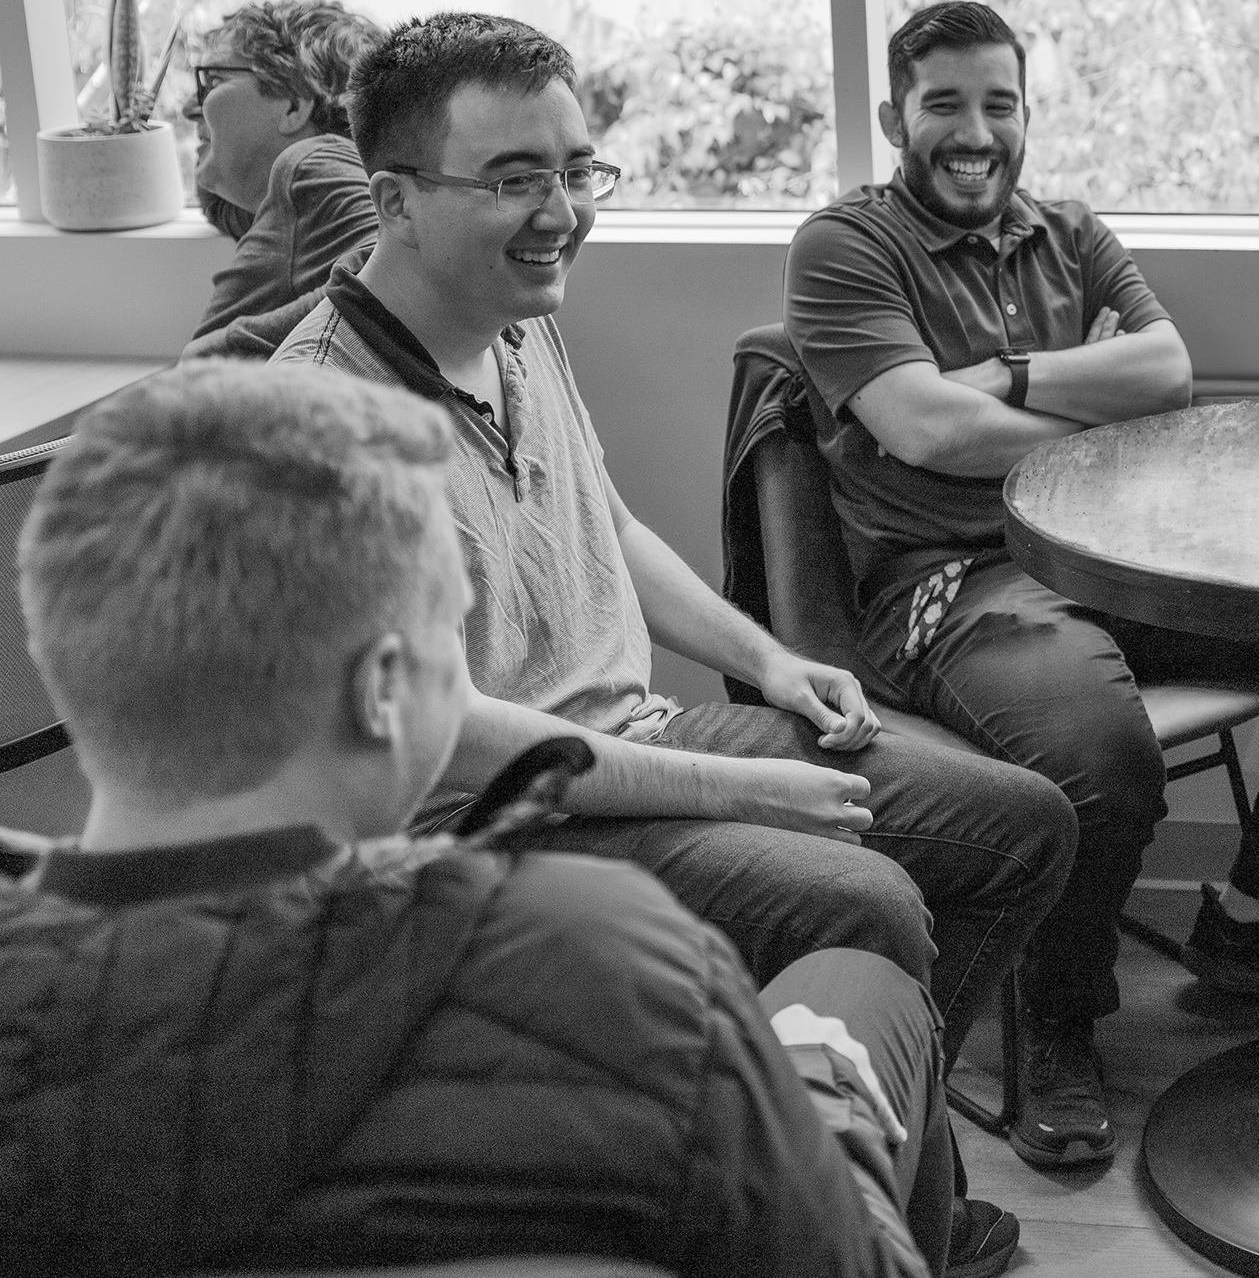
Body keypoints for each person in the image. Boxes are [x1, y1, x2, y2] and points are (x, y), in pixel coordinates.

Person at [268, 13, 1071, 1267]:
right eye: (517, 179)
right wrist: (744, 785)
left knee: (1024, 825)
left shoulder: (516, 314)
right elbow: (449, 736)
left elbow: (608, 525)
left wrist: (766, 663)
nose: (564, 212)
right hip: (495, 829)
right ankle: (850, 1213)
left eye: (577, 169)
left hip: (638, 740)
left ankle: (845, 1140)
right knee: (869, 903)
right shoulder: (317, 420)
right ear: (395, 200)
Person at [2, 361, 937, 1278]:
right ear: (380, 690)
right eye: (451, 640)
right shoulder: (606, 954)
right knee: (858, 991)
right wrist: (822, 1088)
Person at [784, 0, 1259, 1170]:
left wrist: (1007, 375)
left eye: (999, 103)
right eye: (944, 105)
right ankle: (1062, 1016)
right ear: (893, 118)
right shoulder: (844, 245)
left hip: (1124, 557)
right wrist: (1070, 400)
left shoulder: (1068, 231)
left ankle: (1256, 915)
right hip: (956, 582)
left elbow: (1167, 374)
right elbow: (925, 431)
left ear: (1026, 114)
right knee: (1101, 760)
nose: (975, 131)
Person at [184, 0, 385, 359]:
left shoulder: (316, 163)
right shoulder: (297, 208)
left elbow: (388, 271)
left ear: (294, 105)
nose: (188, 108)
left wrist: (216, 351)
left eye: (213, 81)